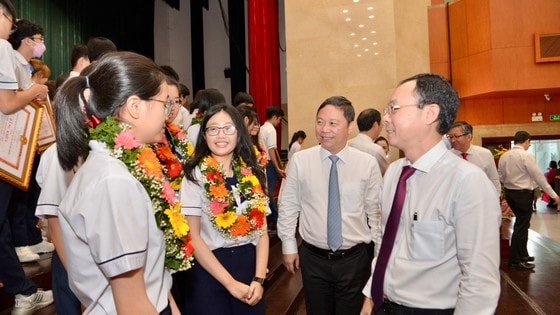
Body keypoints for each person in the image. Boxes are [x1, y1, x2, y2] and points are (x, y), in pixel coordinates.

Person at [361, 73, 501, 314]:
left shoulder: (467, 182)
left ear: (430, 113)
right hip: (383, 304)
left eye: (393, 108)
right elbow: (385, 244)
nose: (385, 118)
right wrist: (370, 296)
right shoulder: (395, 173)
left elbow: (479, 281)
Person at [55, 51, 182, 314]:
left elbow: (147, 276)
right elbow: (131, 304)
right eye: (164, 104)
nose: (167, 115)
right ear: (135, 106)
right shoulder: (113, 181)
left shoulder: (118, 167)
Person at [278, 96, 381, 314]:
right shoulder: (301, 161)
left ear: (350, 126)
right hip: (313, 258)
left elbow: (376, 214)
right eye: (319, 121)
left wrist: (379, 258)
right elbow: (288, 205)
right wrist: (288, 246)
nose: (324, 129)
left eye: (333, 123)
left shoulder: (367, 164)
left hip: (354, 259)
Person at [174, 104, 269, 314]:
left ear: (239, 132)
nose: (221, 135)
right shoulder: (194, 176)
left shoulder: (253, 172)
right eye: (213, 129)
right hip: (210, 269)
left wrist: (259, 278)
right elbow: (194, 236)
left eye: (228, 128)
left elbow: (262, 232)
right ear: (204, 135)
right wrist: (229, 283)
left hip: (249, 265)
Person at [0, 1, 53, 313]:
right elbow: (7, 104)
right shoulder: (3, 49)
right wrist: (34, 91)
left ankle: (23, 290)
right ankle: (24, 290)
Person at [7, 18, 55, 263]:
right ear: (26, 40)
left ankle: (31, 238)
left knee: (30, 192)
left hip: (32, 138)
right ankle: (20, 242)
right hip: (14, 141)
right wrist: (35, 91)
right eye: (39, 39)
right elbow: (13, 98)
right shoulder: (11, 59)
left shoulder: (24, 64)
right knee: (17, 194)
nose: (41, 44)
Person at [499, 131, 560, 270]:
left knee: (523, 225)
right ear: (526, 141)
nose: (529, 145)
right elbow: (539, 177)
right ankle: (515, 259)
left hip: (510, 194)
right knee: (521, 226)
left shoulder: (504, 156)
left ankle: (523, 254)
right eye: (529, 142)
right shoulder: (526, 155)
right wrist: (554, 196)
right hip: (522, 195)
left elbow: (500, 177)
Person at [447, 121, 501, 195]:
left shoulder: (485, 154)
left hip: (481, 198)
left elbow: (494, 180)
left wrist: (496, 199)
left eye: (456, 136)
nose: (453, 140)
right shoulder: (447, 156)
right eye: (450, 137)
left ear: (469, 137)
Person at [259, 106, 285, 227]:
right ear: (274, 117)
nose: (279, 123)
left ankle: (272, 218)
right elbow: (272, 151)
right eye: (279, 120)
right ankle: (275, 219)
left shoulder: (261, 128)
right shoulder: (271, 130)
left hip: (262, 163)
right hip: (268, 164)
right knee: (269, 193)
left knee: (266, 191)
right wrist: (277, 167)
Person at [348, 108, 389, 176]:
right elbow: (387, 174)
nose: (381, 129)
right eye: (381, 126)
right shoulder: (376, 150)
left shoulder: (346, 144)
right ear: (375, 125)